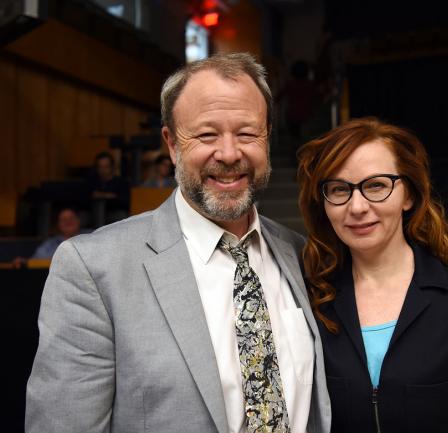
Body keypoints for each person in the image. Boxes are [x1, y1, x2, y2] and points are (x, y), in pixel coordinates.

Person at [26, 53, 331, 433]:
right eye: (206, 134)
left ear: (268, 137)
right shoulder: (93, 268)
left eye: (248, 133)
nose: (230, 153)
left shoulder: (299, 254)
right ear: (171, 144)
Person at [296, 116, 448, 433]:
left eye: (376, 185)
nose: (357, 206)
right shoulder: (309, 302)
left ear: (409, 196)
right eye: (339, 189)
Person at [12, 207, 81, 268]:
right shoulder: (50, 244)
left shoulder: (90, 238)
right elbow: (36, 261)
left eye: (71, 218)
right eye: (64, 220)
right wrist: (25, 262)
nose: (68, 221)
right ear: (58, 224)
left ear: (78, 220)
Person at [85, 151, 130, 223]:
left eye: (106, 167)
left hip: (113, 212)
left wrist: (111, 197)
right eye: (100, 167)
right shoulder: (91, 181)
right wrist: (106, 195)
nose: (103, 170)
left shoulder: (121, 183)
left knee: (122, 216)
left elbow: (125, 202)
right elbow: (84, 198)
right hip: (93, 212)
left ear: (112, 167)